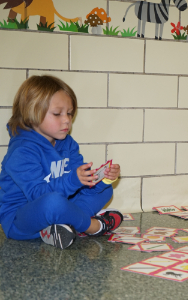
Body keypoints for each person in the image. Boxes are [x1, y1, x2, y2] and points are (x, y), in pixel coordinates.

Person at [0, 75, 123, 250]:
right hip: (20, 221)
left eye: (70, 113)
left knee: (105, 190)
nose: (67, 120)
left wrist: (102, 178)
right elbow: (38, 195)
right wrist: (73, 180)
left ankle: (63, 227)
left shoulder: (68, 143)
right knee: (53, 203)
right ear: (32, 114)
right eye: (57, 113)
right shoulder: (22, 151)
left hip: (59, 207)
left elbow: (79, 184)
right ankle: (92, 226)